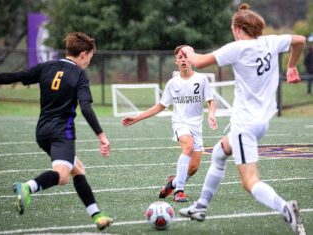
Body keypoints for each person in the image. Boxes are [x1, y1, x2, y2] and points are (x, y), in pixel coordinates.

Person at [178, 3, 306, 235]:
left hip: (244, 125)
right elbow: (300, 40)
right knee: (219, 153)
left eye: (232, 29)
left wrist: (187, 50)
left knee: (249, 182)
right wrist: (291, 66)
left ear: (238, 29)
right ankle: (200, 207)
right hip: (261, 123)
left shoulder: (237, 49)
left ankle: (285, 208)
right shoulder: (271, 42)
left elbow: (197, 61)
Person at [0, 32, 113, 231]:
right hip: (61, 133)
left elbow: (14, 76)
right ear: (83, 54)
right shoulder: (79, 75)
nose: (90, 61)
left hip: (42, 131)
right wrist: (102, 136)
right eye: (90, 56)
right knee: (62, 176)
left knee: (77, 169)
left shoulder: (47, 67)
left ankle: (97, 215)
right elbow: (86, 107)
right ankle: (28, 187)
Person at [121, 45, 217, 202]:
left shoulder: (201, 79)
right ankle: (179, 191)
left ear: (191, 59)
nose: (183, 59)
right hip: (180, 124)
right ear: (176, 62)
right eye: (180, 57)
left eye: (186, 56)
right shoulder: (173, 83)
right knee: (188, 146)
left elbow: (211, 101)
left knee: (193, 168)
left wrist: (211, 114)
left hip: (196, 126)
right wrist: (137, 118)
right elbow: (160, 106)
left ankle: (171, 184)